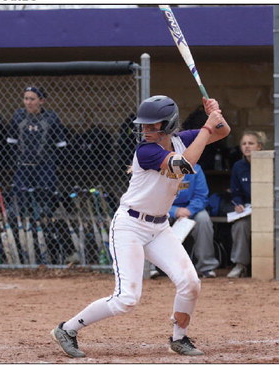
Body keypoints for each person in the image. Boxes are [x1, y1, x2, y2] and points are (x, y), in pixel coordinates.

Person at [50, 95, 230, 358]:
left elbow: (223, 132)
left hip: (160, 229)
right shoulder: (145, 151)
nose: (146, 131)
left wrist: (215, 115)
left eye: (152, 126)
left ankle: (179, 339)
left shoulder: (182, 139)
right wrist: (206, 126)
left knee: (190, 283)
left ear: (168, 125)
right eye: (143, 126)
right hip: (130, 227)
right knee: (126, 299)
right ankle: (67, 329)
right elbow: (184, 166)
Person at [7, 86, 67, 218]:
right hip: (23, 165)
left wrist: (57, 165)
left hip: (45, 166)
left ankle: (44, 227)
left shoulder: (50, 117)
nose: (28, 102)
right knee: (18, 203)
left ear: (41, 101)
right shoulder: (18, 116)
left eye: (32, 99)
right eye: (26, 99)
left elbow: (61, 145)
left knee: (44, 205)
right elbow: (11, 142)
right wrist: (14, 162)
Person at [169, 163, 219, 278]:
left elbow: (201, 196)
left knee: (203, 219)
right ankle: (153, 268)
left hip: (191, 209)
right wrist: (174, 210)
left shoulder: (195, 168)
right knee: (155, 219)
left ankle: (206, 266)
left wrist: (189, 210)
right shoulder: (162, 167)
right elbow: (156, 197)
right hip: (166, 209)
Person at [227, 130, 265, 278]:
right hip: (248, 210)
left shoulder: (267, 163)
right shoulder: (238, 166)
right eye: (244, 144)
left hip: (267, 210)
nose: (247, 147)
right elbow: (235, 193)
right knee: (240, 225)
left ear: (259, 147)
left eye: (251, 143)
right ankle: (240, 265)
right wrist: (238, 204)